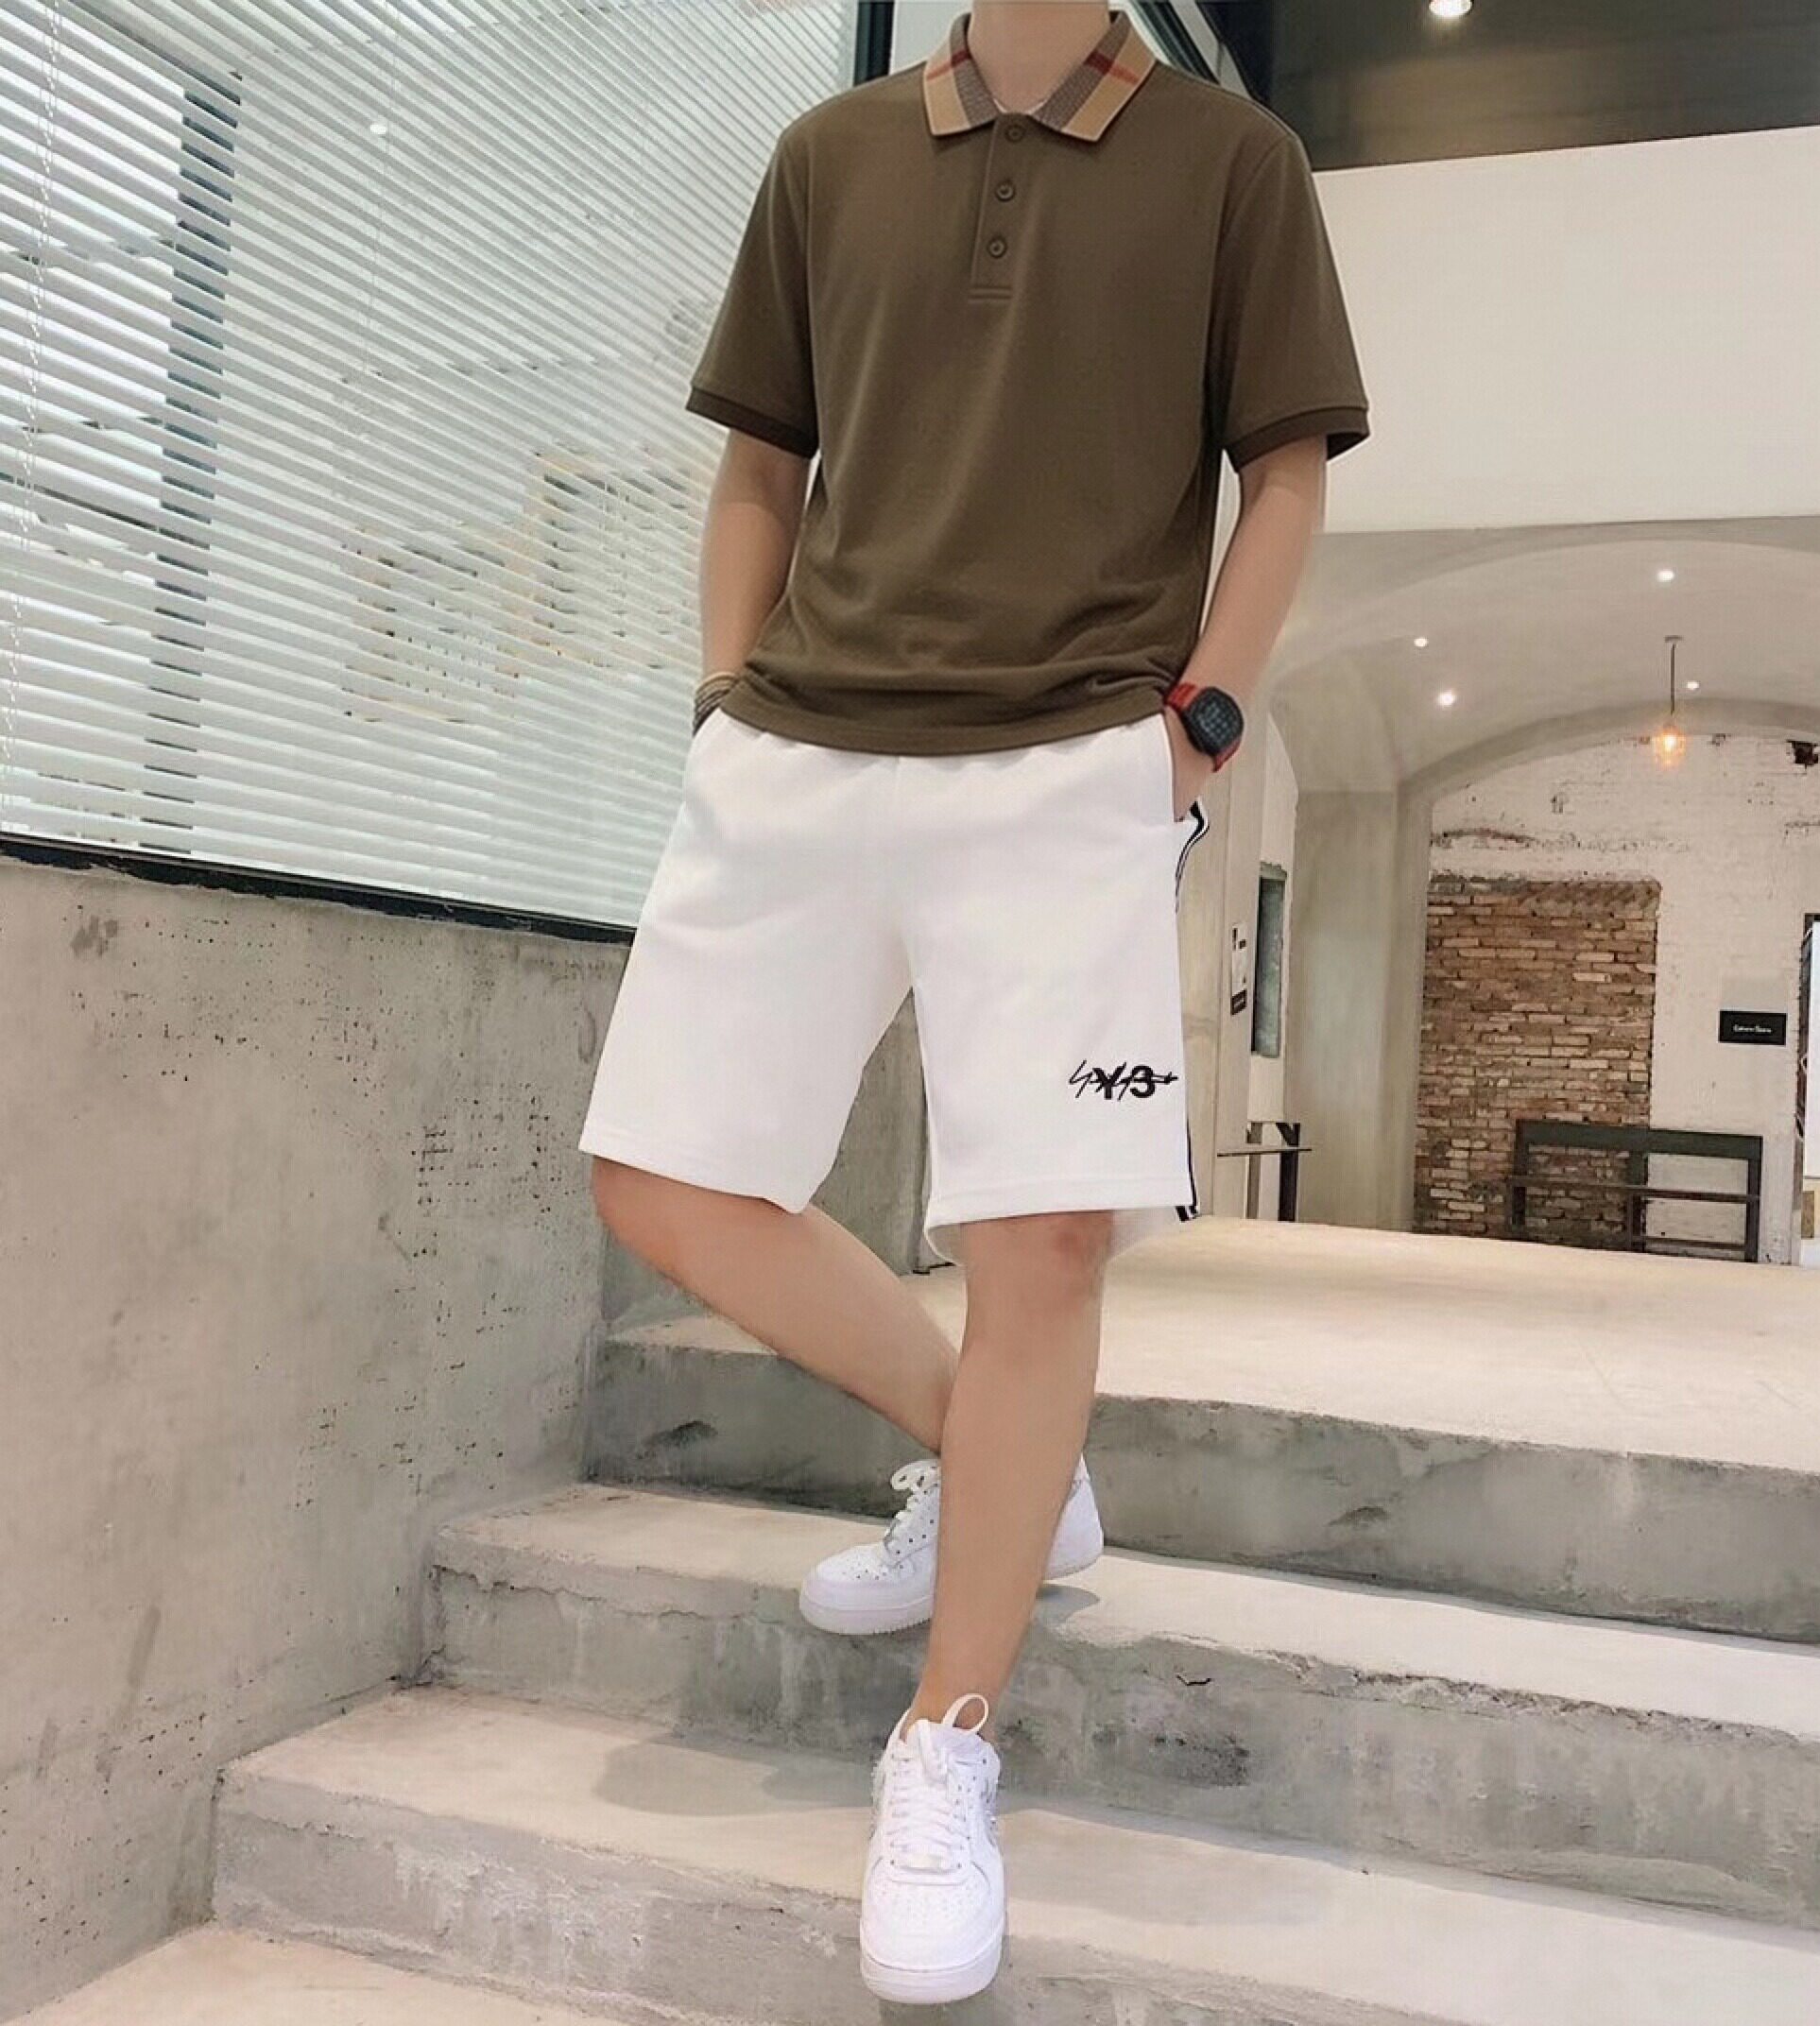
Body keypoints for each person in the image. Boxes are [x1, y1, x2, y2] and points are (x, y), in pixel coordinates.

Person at [581, 1, 1366, 2003]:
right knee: (662, 1176)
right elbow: (762, 463)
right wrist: (721, 701)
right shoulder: (829, 153)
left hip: (1071, 762)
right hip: (801, 749)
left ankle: (944, 1747)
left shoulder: (1235, 163)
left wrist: (1194, 731)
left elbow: (1283, 474)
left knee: (1039, 1245)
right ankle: (1006, 1463)